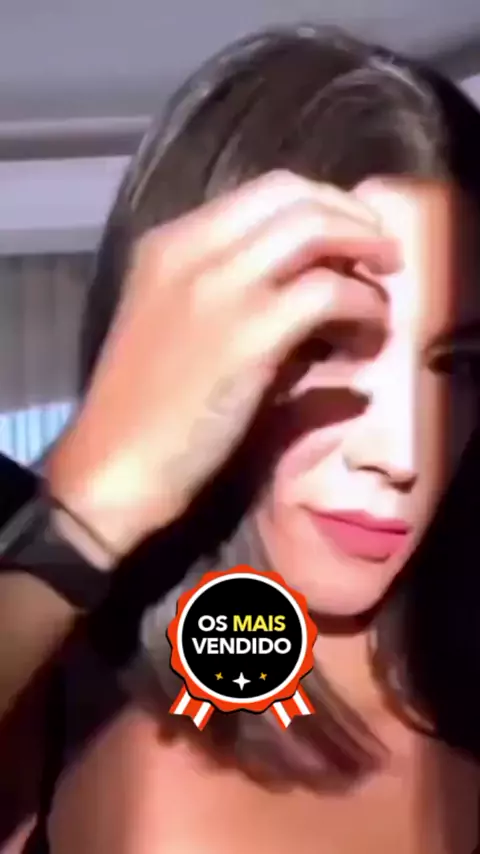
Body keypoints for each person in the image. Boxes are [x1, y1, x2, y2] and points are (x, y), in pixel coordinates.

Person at [9, 24, 480, 854]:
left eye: (459, 365)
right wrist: (89, 509)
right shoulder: (58, 706)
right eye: (320, 345)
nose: (402, 456)